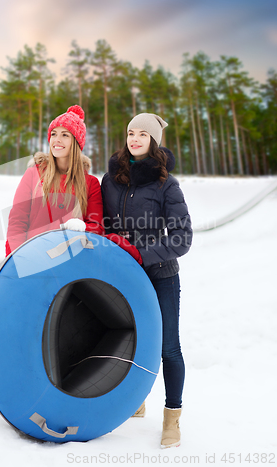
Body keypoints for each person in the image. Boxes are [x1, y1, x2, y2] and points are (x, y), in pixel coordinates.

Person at [0, 105, 104, 415]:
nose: (56, 139)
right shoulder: (35, 173)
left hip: (66, 270)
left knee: (52, 330)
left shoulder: (89, 184)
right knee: (1, 323)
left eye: (65, 135)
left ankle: (44, 393)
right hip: (26, 263)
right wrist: (19, 260)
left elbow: (96, 226)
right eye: (53, 134)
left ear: (77, 143)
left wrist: (77, 229)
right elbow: (17, 218)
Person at [101, 112, 192, 448]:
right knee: (130, 341)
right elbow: (105, 226)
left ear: (154, 140)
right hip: (125, 275)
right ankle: (134, 401)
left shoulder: (166, 184)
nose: (134, 138)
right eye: (130, 132)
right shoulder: (110, 180)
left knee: (168, 347)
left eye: (142, 134)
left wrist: (141, 252)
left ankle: (172, 418)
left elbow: (182, 237)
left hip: (160, 275)